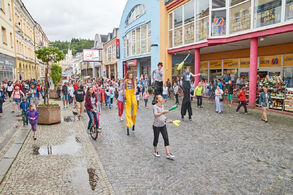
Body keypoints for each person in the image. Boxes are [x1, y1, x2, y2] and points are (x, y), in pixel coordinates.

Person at [152, 95, 175, 160]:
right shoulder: (155, 107)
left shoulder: (162, 106)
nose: (161, 98)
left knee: (166, 138)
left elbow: (162, 116)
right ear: (157, 100)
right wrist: (163, 112)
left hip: (163, 125)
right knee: (156, 139)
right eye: (160, 97)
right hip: (156, 126)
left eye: (161, 97)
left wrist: (168, 120)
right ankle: (155, 151)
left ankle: (168, 154)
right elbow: (156, 115)